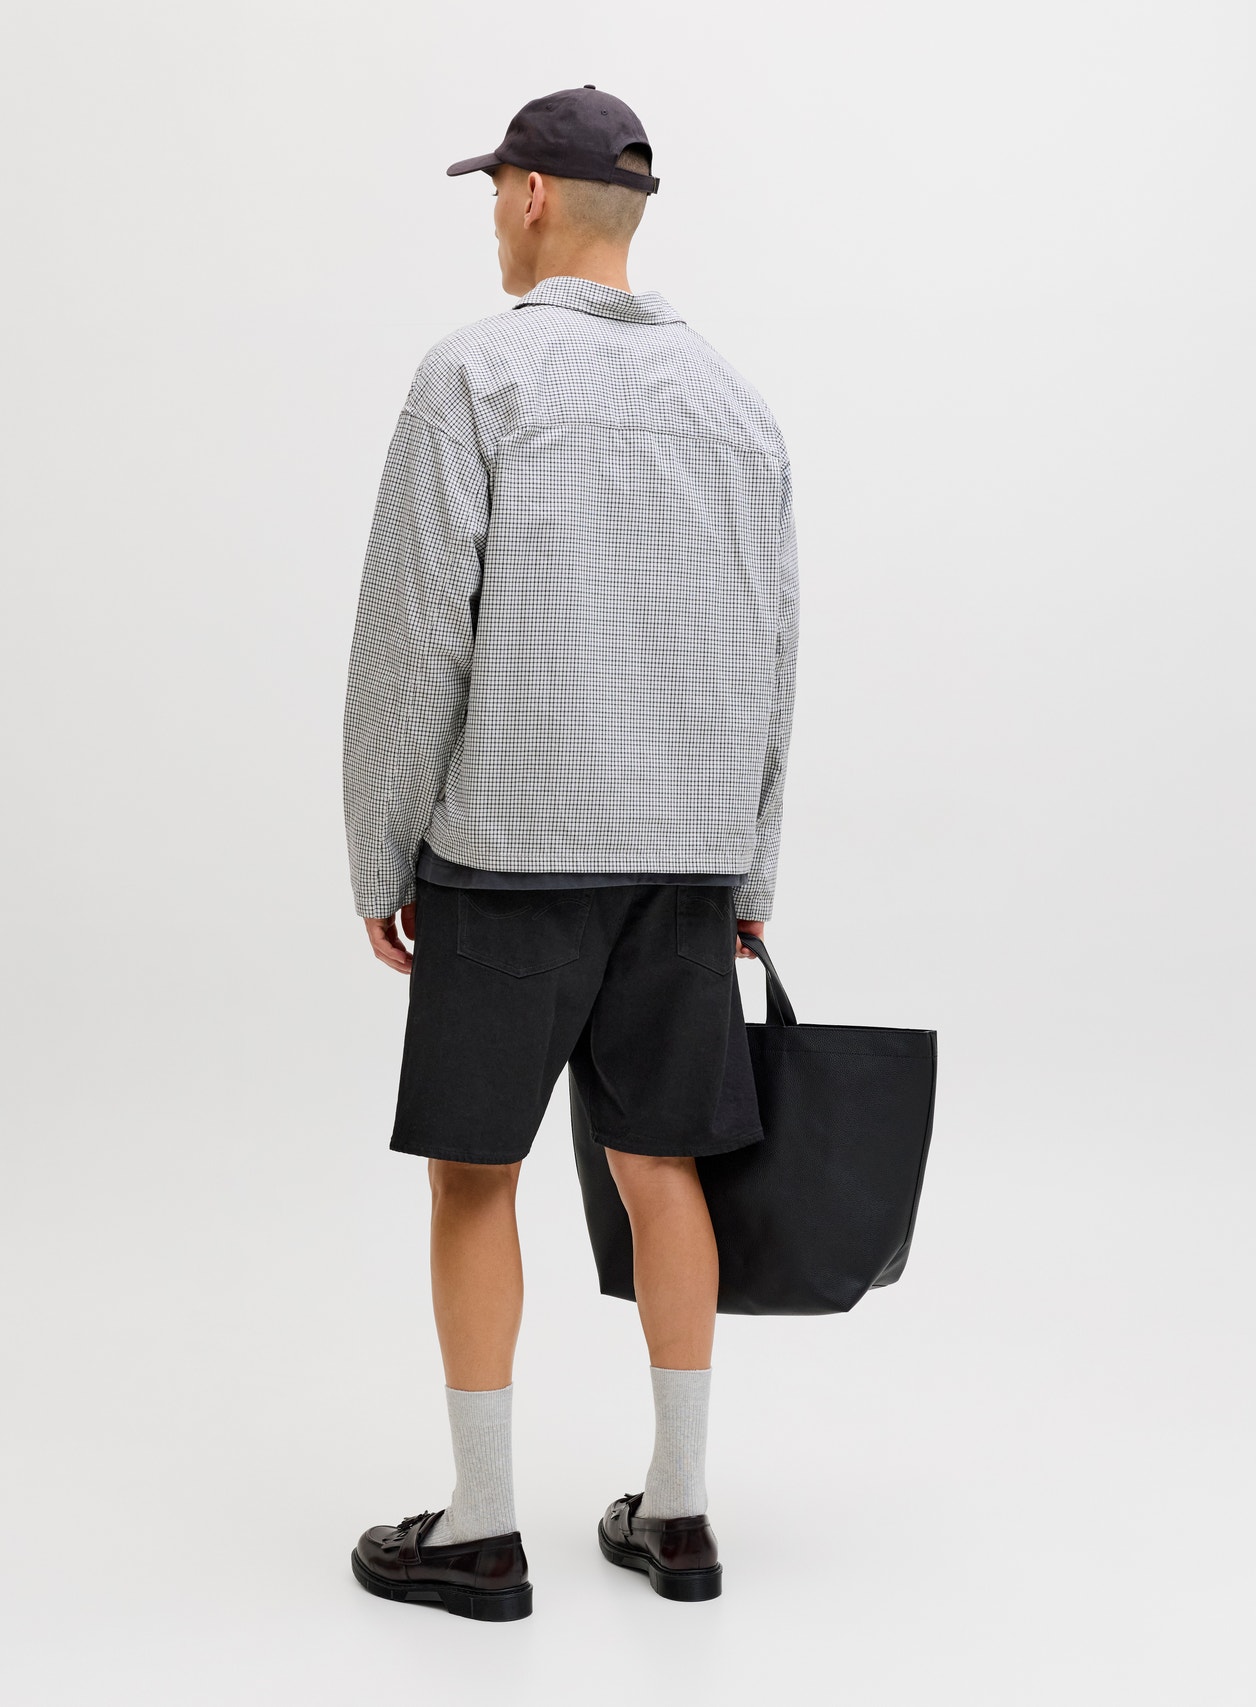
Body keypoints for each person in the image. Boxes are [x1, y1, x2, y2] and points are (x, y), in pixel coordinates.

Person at [342, 85, 799, 1622]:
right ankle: (680, 1515)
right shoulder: (738, 407)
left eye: (495, 190)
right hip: (682, 864)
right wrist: (749, 877)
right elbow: (775, 660)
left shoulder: (473, 378)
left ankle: (480, 1530)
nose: (492, 214)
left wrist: (379, 850)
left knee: (478, 1176)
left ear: (534, 196)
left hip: (509, 853)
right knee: (662, 1167)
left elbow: (415, 641)